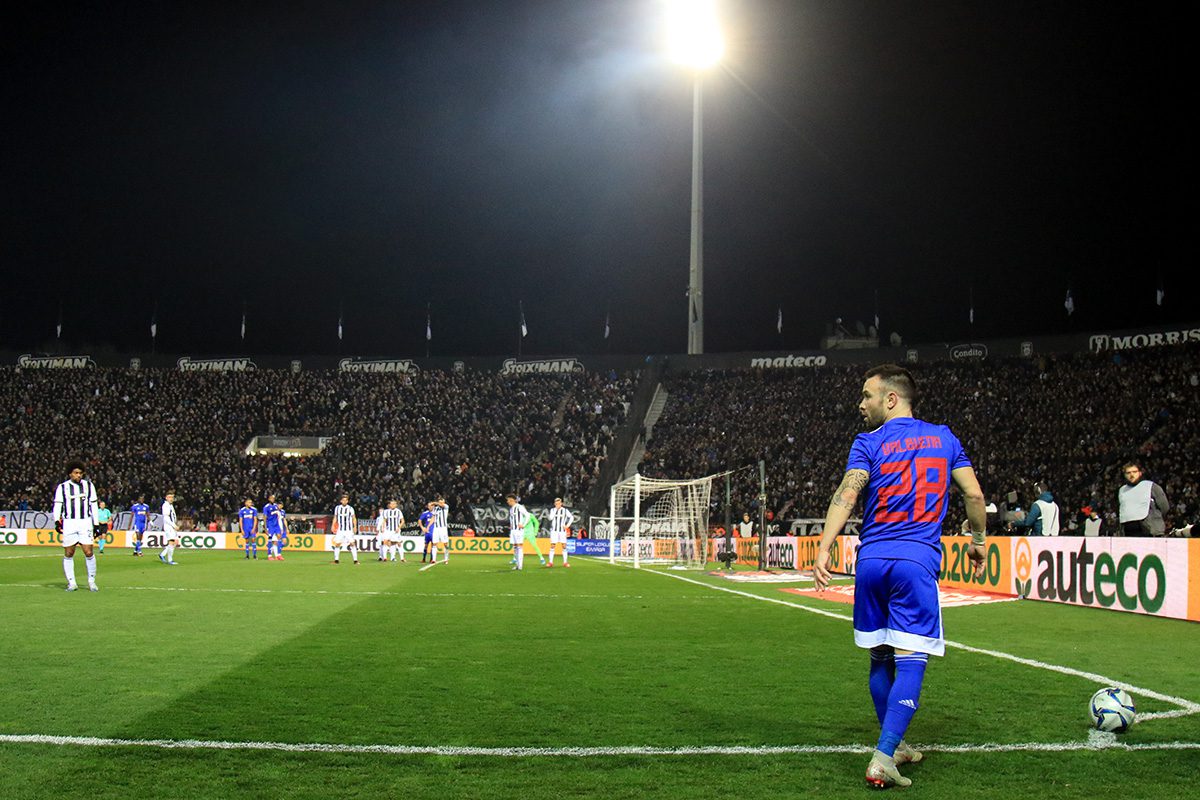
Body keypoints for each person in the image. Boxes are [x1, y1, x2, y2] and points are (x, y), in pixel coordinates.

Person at [814, 364, 986, 790]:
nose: (861, 404)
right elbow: (973, 493)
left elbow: (847, 493)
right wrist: (978, 540)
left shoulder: (867, 443)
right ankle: (884, 756)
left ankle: (898, 745)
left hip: (871, 562)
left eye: (867, 395)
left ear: (891, 399)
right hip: (914, 562)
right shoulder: (944, 438)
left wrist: (824, 546)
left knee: (879, 657)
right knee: (911, 659)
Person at [53, 461, 100, 592]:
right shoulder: (62, 487)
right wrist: (56, 521)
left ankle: (92, 581)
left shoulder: (89, 486)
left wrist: (96, 523)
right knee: (69, 553)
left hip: (85, 522)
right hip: (69, 522)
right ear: (70, 474)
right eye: (76, 473)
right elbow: (58, 504)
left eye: (80, 473)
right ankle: (72, 583)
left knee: (88, 552)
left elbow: (94, 505)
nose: (79, 475)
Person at [1118, 462, 1169, 537]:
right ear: (1125, 475)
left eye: (1134, 472)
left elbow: (1164, 506)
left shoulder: (1151, 486)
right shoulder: (1122, 490)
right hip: (1128, 530)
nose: (1132, 475)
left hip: (1150, 529)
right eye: (1128, 473)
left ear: (1140, 473)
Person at [506, 493, 531, 571]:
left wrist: (523, 524)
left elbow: (527, 515)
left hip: (519, 530)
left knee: (519, 547)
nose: (507, 502)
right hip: (513, 530)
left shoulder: (519, 507)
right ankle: (517, 565)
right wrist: (511, 525)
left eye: (508, 500)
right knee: (515, 547)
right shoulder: (511, 509)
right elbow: (512, 519)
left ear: (512, 500)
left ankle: (520, 566)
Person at [332, 494, 359, 564]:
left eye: (346, 500)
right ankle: (336, 560)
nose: (344, 501)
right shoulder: (337, 508)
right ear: (341, 501)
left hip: (348, 530)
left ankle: (355, 560)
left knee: (352, 543)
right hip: (340, 530)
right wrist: (333, 525)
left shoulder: (350, 508)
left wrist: (355, 527)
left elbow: (354, 518)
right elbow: (335, 517)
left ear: (347, 501)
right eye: (343, 500)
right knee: (337, 544)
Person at [547, 497, 572, 567]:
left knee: (564, 546)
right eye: (556, 504)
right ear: (554, 504)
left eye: (559, 503)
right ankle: (550, 562)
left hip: (562, 531)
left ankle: (565, 562)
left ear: (561, 503)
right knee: (552, 545)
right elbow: (550, 518)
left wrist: (567, 525)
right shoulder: (552, 510)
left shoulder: (565, 510)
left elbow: (571, 517)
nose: (557, 505)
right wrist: (555, 511)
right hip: (554, 531)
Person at [158, 490, 179, 565]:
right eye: (169, 497)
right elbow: (166, 518)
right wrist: (173, 525)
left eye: (172, 497)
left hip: (172, 526)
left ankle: (162, 554)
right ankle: (170, 560)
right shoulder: (166, 505)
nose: (171, 499)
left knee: (174, 542)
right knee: (171, 541)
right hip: (169, 526)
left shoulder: (170, 505)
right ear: (166, 498)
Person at [430, 494, 450, 564]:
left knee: (445, 544)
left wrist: (434, 503)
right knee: (434, 543)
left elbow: (441, 505)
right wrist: (428, 526)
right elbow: (433, 517)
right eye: (440, 502)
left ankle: (446, 559)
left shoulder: (446, 507)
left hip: (443, 528)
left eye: (442, 502)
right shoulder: (435, 509)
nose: (441, 503)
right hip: (436, 528)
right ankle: (433, 559)